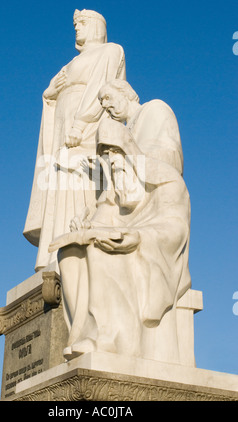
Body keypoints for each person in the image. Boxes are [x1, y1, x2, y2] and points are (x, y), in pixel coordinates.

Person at [49, 80, 191, 364]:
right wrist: (88, 220)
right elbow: (112, 199)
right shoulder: (121, 165)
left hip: (150, 237)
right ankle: (83, 336)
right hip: (130, 214)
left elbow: (171, 159)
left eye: (108, 97)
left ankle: (109, 339)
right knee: (71, 253)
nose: (106, 105)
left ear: (127, 93)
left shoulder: (155, 111)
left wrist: (137, 236)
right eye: (101, 102)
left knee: (102, 251)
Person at [23, 11, 126, 271]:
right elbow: (52, 94)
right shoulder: (70, 62)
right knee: (61, 185)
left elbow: (101, 89)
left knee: (83, 182)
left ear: (95, 27)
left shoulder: (110, 51)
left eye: (81, 24)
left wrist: (81, 123)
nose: (76, 29)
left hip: (87, 129)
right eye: (75, 25)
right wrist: (49, 93)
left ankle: (80, 248)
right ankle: (54, 253)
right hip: (62, 129)